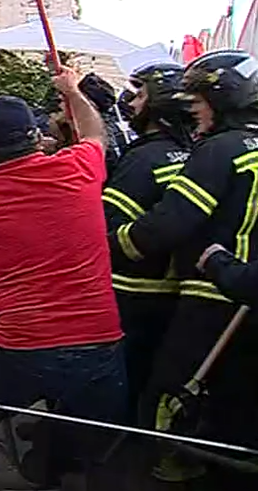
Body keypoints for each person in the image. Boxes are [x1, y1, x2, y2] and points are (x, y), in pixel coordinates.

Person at [0, 69, 127, 490]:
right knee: (89, 448)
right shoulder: (79, 168)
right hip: (99, 342)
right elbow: (94, 132)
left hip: (22, 345)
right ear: (37, 138)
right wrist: (71, 91)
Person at [108, 49, 258, 466]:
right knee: (232, 400)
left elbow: (168, 225)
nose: (194, 113)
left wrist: (110, 245)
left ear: (221, 98)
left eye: (198, 102)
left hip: (209, 293)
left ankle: (164, 469)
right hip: (248, 296)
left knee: (169, 394)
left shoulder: (220, 150)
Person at [101, 62, 193, 424]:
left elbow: (108, 228)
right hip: (169, 292)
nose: (132, 103)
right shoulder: (192, 155)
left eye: (141, 95)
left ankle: (63, 452)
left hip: (128, 290)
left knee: (106, 377)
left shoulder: (143, 159)